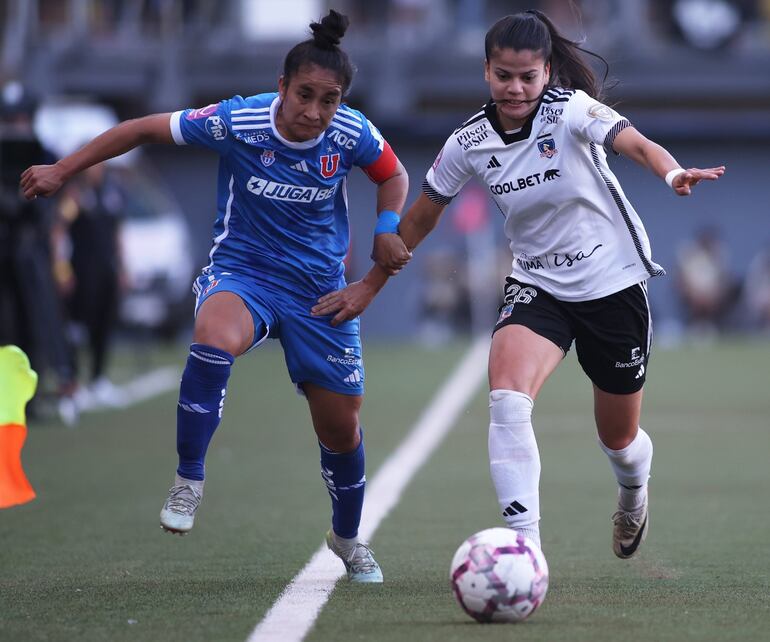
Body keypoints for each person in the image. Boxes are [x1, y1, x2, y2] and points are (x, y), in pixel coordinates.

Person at [312, 10, 724, 559]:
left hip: (612, 283)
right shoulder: (468, 141)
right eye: (504, 75)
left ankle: (632, 490)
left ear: (547, 73)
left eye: (527, 77)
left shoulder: (572, 111)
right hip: (538, 284)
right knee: (506, 397)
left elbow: (638, 145)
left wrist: (674, 174)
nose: (515, 87)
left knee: (619, 439)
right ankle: (524, 551)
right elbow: (424, 216)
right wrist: (369, 285)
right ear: (486, 71)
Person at [20, 10, 409, 583]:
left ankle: (348, 539)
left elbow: (393, 175)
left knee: (340, 428)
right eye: (304, 94)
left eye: (329, 100)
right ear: (282, 87)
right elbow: (140, 130)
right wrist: (64, 170)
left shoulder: (350, 132)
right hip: (245, 272)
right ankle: (188, 480)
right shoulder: (238, 120)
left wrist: (386, 227)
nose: (314, 111)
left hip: (320, 291)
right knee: (212, 337)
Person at [53, 162, 127, 407]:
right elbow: (58, 231)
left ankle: (98, 378)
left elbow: (117, 231)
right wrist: (62, 269)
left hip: (107, 269)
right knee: (76, 328)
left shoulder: (111, 193)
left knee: (104, 324)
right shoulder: (75, 196)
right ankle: (72, 381)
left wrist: (124, 266)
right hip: (82, 270)